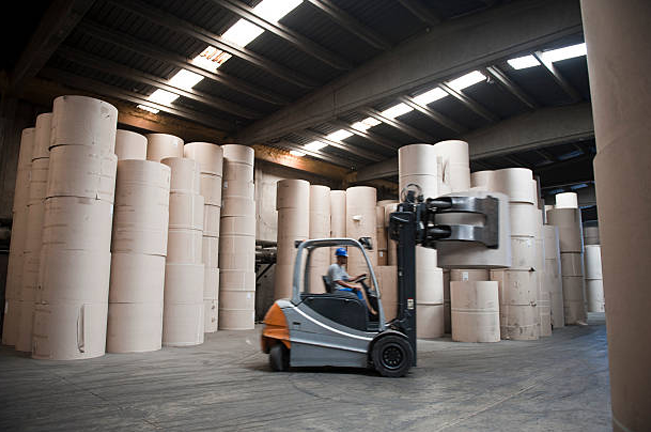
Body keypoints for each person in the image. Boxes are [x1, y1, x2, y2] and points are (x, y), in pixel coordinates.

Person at [327, 248, 377, 315]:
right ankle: (365, 312)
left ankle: (365, 311)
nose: (346, 259)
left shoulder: (341, 267)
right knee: (358, 291)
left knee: (359, 291)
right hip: (337, 290)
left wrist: (359, 276)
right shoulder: (334, 267)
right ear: (339, 257)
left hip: (341, 289)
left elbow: (348, 279)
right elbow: (338, 281)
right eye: (344, 257)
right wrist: (352, 286)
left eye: (345, 257)